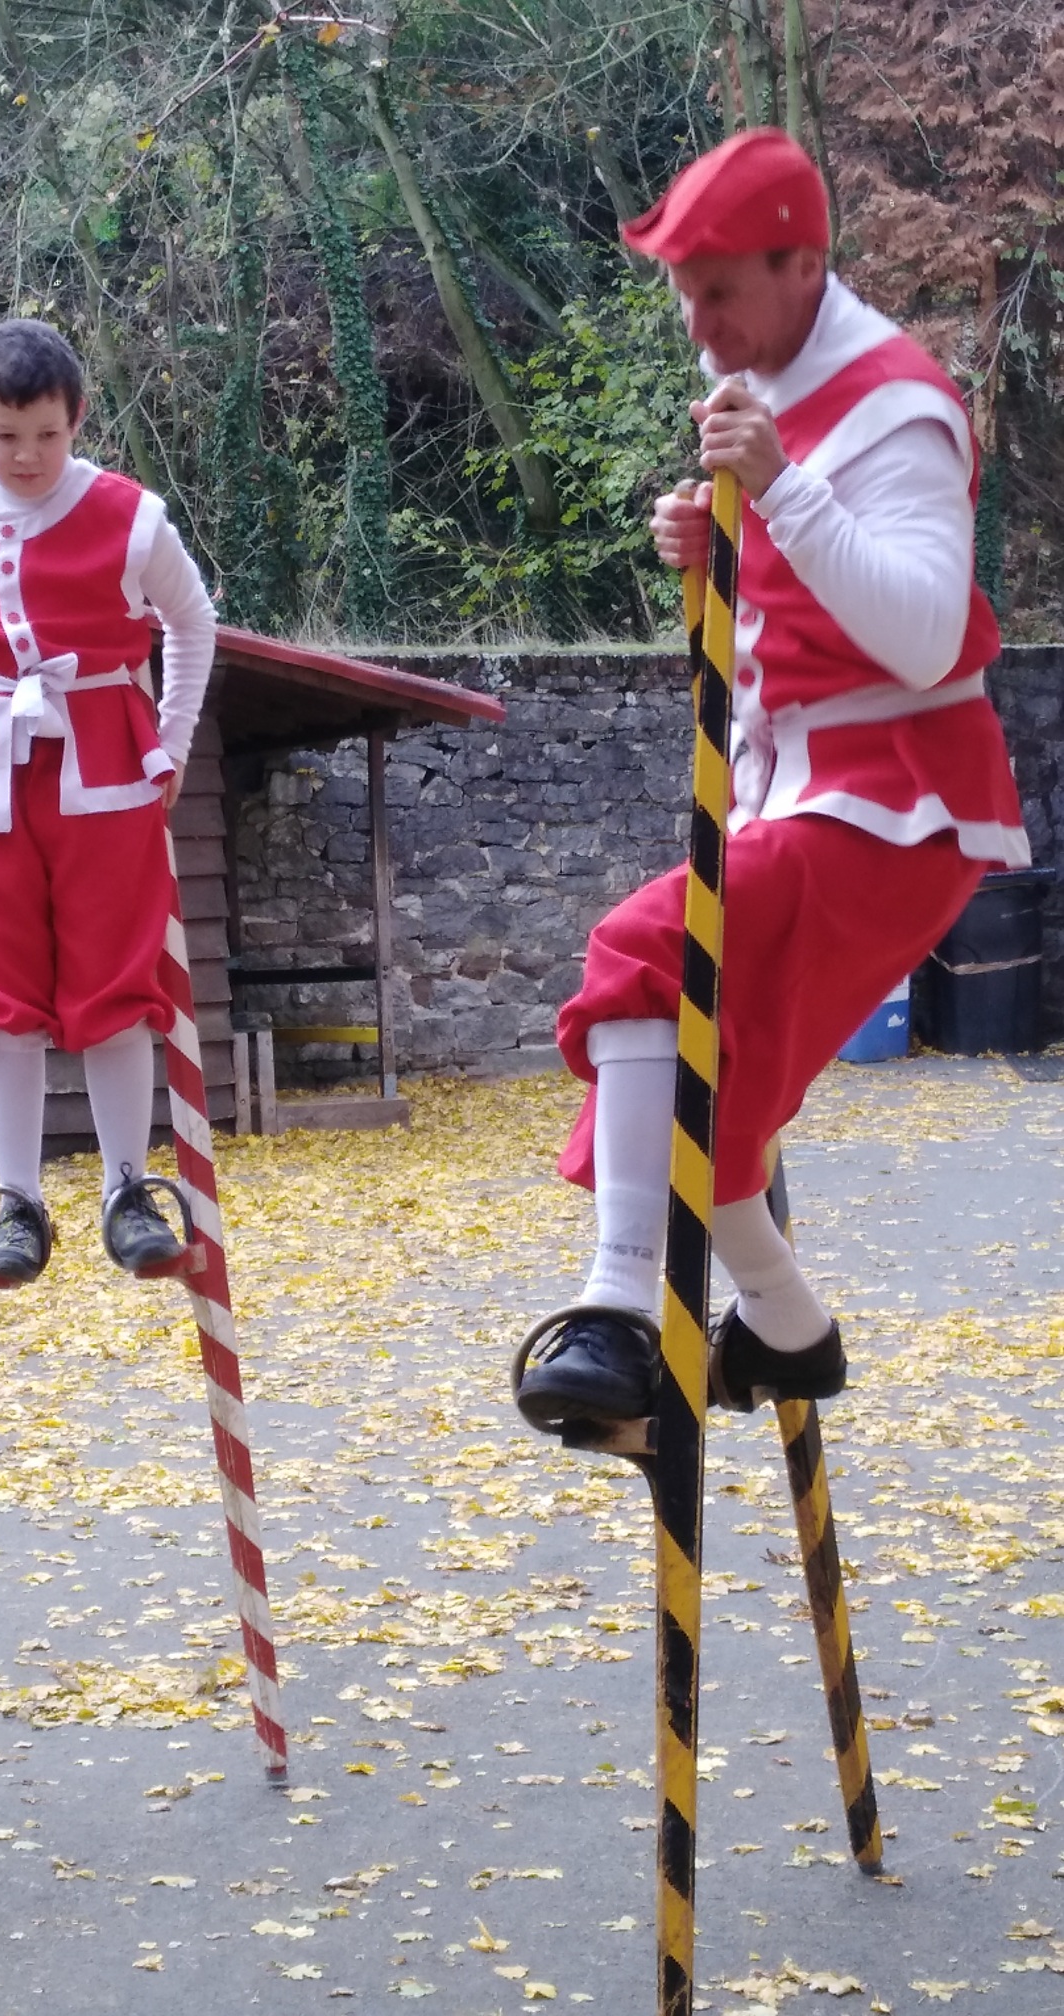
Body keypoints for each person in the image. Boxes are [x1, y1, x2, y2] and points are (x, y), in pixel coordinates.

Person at [517, 128, 1029, 1428]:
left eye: (722, 288)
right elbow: (768, 656)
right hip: (797, 796)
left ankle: (619, 1311)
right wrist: (709, 565)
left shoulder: (897, 405)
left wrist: (781, 490)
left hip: (893, 810)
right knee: (716, 1096)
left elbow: (919, 635)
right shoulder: (754, 384)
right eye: (684, 292)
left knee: (647, 950)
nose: (698, 319)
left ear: (808, 264)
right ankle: (791, 1334)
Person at [0, 319, 217, 1280]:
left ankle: (128, 1187)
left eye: (46, 433)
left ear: (76, 418)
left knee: (115, 982)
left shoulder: (132, 516)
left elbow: (193, 623)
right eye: (7, 436)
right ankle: (19, 1203)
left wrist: (167, 746)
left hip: (108, 772)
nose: (29, 455)